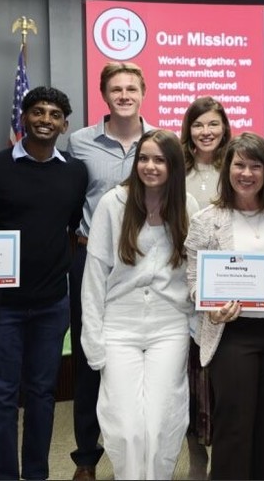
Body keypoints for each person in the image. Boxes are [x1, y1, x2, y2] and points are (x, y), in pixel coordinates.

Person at [0, 86, 88, 480]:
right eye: (38, 112)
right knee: (2, 397)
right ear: (23, 118)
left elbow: (72, 223)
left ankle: (37, 474)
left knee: (42, 396)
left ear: (65, 123)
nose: (46, 120)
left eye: (55, 114)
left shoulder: (75, 171)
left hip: (51, 304)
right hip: (2, 306)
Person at [185, 132, 264, 480]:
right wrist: (210, 305)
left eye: (256, 165)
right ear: (228, 168)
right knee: (233, 426)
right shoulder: (207, 219)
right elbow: (194, 281)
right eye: (240, 165)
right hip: (233, 331)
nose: (247, 173)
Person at [81, 129, 199, 479]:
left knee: (162, 421)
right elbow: (94, 276)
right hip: (119, 325)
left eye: (159, 159)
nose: (149, 166)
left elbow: (195, 272)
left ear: (173, 165)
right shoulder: (112, 203)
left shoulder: (187, 206)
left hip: (169, 325)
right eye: (144, 158)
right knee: (127, 425)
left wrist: (198, 324)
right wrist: (93, 339)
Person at [66, 61, 154, 481]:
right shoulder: (79, 141)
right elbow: (68, 197)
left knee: (140, 354)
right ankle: (86, 456)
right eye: (116, 89)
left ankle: (141, 447)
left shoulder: (159, 142)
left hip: (145, 263)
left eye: (131, 88)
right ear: (104, 95)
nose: (124, 95)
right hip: (91, 258)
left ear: (143, 92)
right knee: (90, 354)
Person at [179, 96, 232, 479]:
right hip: (182, 288)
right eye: (199, 125)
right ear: (189, 130)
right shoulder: (173, 169)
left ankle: (228, 460)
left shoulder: (238, 168)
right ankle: (198, 461)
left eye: (213, 124)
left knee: (225, 383)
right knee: (192, 383)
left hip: (230, 289)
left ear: (225, 128)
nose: (206, 132)